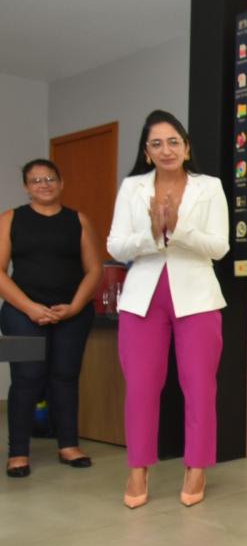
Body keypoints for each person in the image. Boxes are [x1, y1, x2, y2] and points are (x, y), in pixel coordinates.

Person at [107, 109, 229, 508]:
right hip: (142, 298)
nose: (166, 149)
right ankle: (137, 468)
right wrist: (152, 232)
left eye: (173, 141)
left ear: (186, 146)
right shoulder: (132, 187)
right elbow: (116, 246)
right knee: (141, 387)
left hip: (196, 296)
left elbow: (219, 247)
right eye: (156, 143)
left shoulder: (209, 187)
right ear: (146, 152)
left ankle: (196, 467)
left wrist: (179, 227)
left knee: (199, 387)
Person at [0, 159, 101, 478]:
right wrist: (29, 308)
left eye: (50, 179)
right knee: (26, 378)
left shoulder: (78, 220)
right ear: (26, 186)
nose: (44, 184)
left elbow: (94, 269)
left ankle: (68, 445)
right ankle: (17, 452)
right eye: (36, 180)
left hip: (72, 314)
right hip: (19, 314)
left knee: (65, 377)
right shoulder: (10, 219)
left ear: (61, 183)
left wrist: (73, 307)